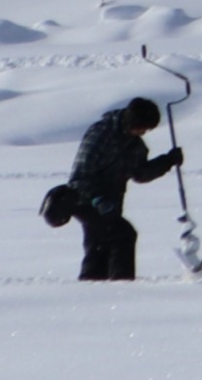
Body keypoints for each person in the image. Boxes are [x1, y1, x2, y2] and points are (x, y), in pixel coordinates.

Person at [66, 96, 183, 280]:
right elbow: (80, 176)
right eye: (141, 128)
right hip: (84, 200)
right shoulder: (101, 134)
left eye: (146, 130)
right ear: (131, 121)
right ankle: (122, 286)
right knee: (123, 235)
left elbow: (140, 174)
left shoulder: (135, 145)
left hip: (111, 203)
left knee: (102, 246)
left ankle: (97, 286)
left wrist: (167, 161)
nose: (143, 133)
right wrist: (98, 199)